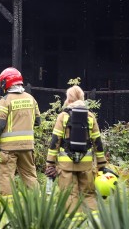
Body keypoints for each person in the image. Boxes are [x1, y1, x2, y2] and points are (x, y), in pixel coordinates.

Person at [45, 85, 107, 222]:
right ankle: (95, 222)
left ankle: (74, 223)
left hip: (66, 164)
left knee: (70, 195)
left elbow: (55, 140)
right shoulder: (90, 116)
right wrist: (102, 165)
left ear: (69, 99)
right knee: (89, 195)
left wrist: (50, 162)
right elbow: (98, 142)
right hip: (86, 165)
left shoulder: (63, 116)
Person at [0, 67, 40, 200]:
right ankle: (39, 203)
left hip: (9, 149)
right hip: (27, 146)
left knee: (6, 176)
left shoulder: (6, 100)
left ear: (7, 82)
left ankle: (7, 206)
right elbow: (38, 121)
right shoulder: (31, 99)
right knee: (30, 176)